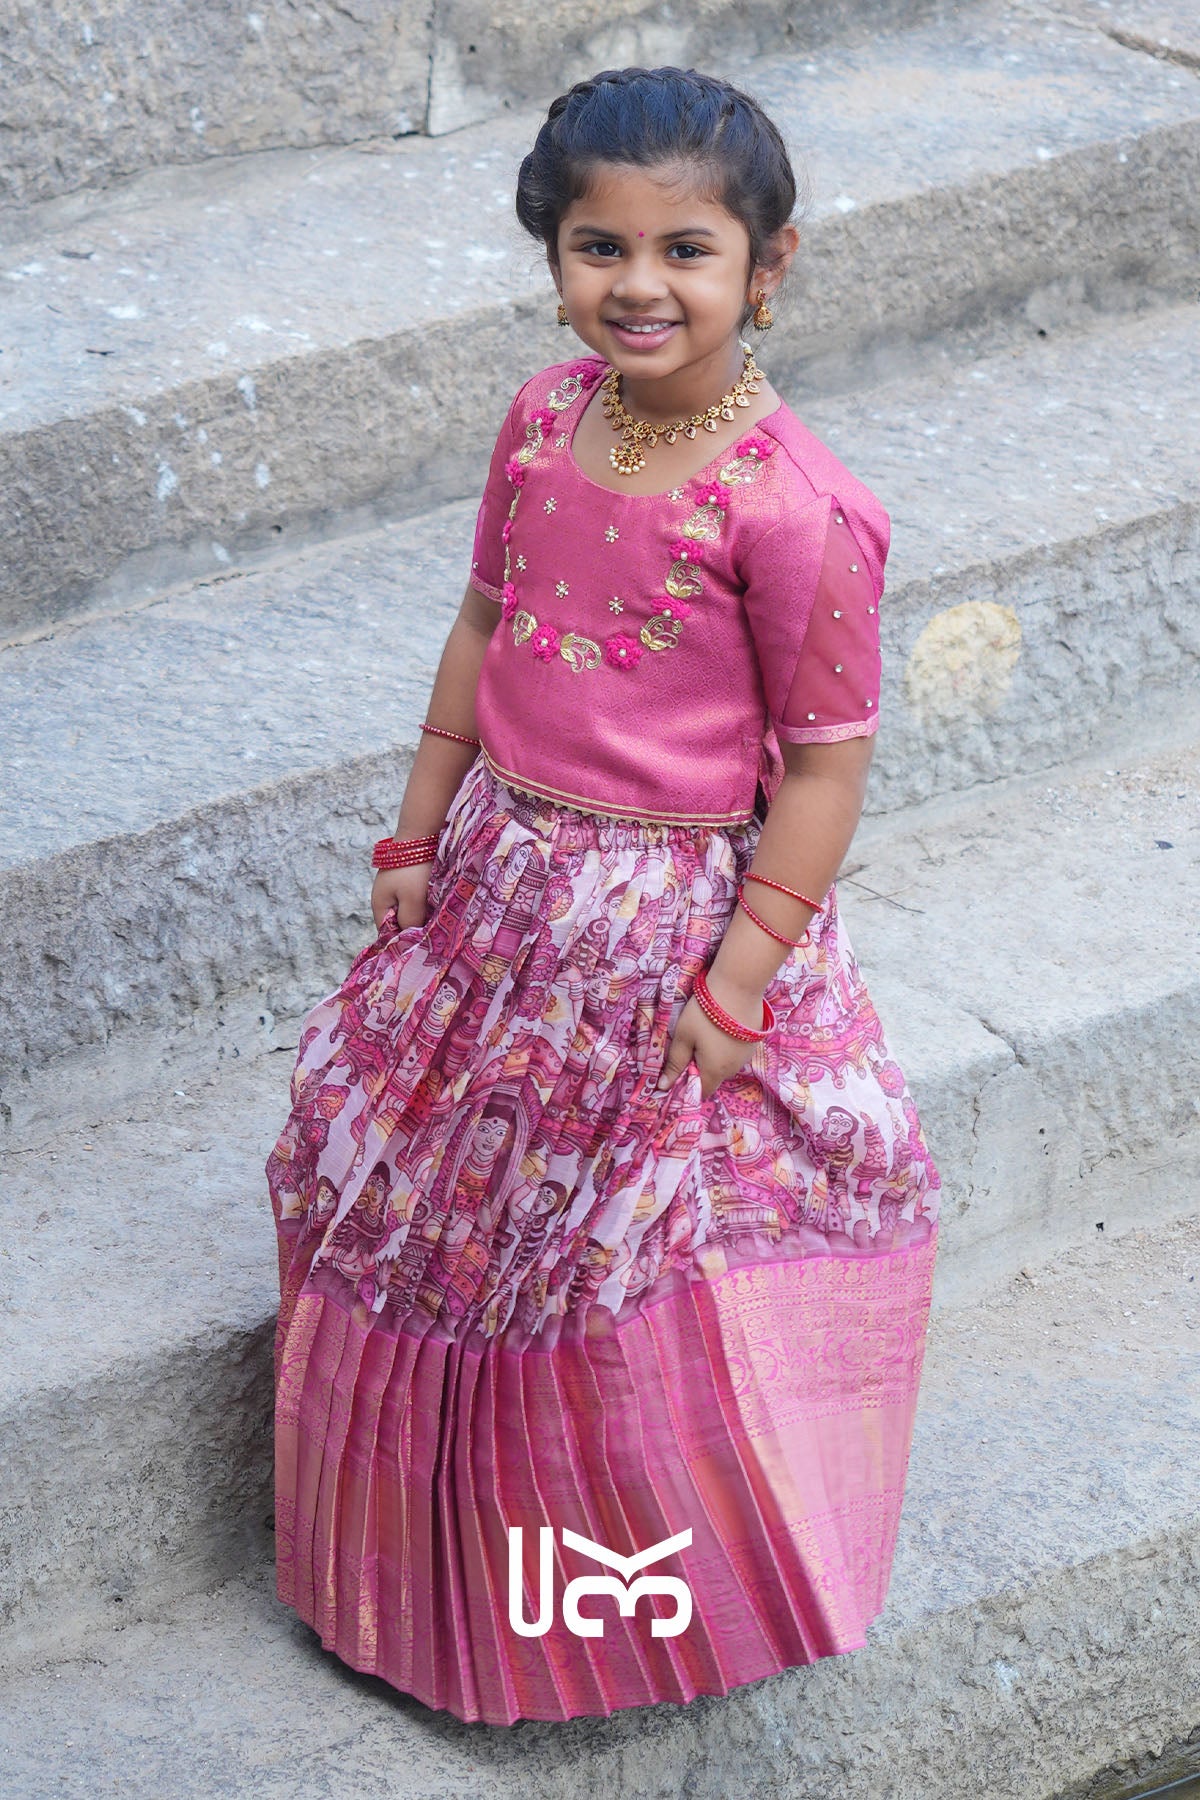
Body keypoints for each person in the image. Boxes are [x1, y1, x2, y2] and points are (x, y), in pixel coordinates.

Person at [266, 65, 942, 1727]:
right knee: (442, 1219)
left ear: (768, 265)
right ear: (554, 252)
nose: (639, 285)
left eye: (686, 250)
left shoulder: (797, 509)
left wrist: (739, 984)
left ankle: (613, 1612)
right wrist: (415, 835)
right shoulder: (541, 418)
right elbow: (484, 626)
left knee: (593, 1255)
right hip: (499, 892)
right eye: (599, 247)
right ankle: (420, 1587)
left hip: (658, 940)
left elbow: (824, 774)